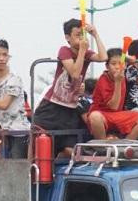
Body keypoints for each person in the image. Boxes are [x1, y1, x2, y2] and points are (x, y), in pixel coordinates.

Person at [33, 18, 107, 155]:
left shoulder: (86, 53)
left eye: (83, 35)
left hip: (70, 109)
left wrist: (95, 34)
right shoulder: (64, 51)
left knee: (70, 149)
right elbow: (74, 73)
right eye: (77, 35)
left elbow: (103, 57)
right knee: (41, 149)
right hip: (51, 108)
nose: (81, 39)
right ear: (68, 37)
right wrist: (82, 52)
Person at [88, 48, 138, 140]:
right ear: (107, 66)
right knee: (95, 117)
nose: (117, 67)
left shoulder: (122, 76)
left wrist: (128, 58)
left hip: (118, 115)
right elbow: (113, 106)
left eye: (121, 63)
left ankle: (125, 145)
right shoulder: (103, 79)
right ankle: (102, 146)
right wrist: (117, 82)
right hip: (102, 115)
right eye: (113, 64)